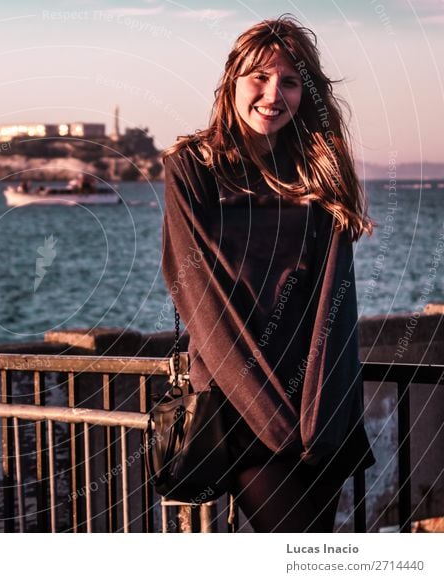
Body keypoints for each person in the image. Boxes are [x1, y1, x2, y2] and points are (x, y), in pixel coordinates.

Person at [160, 15, 376, 533]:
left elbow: (334, 298)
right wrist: (275, 422)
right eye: (259, 76)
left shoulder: (317, 169)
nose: (272, 93)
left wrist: (322, 414)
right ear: (232, 80)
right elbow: (199, 295)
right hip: (239, 401)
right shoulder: (193, 166)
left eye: (290, 81)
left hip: (318, 405)